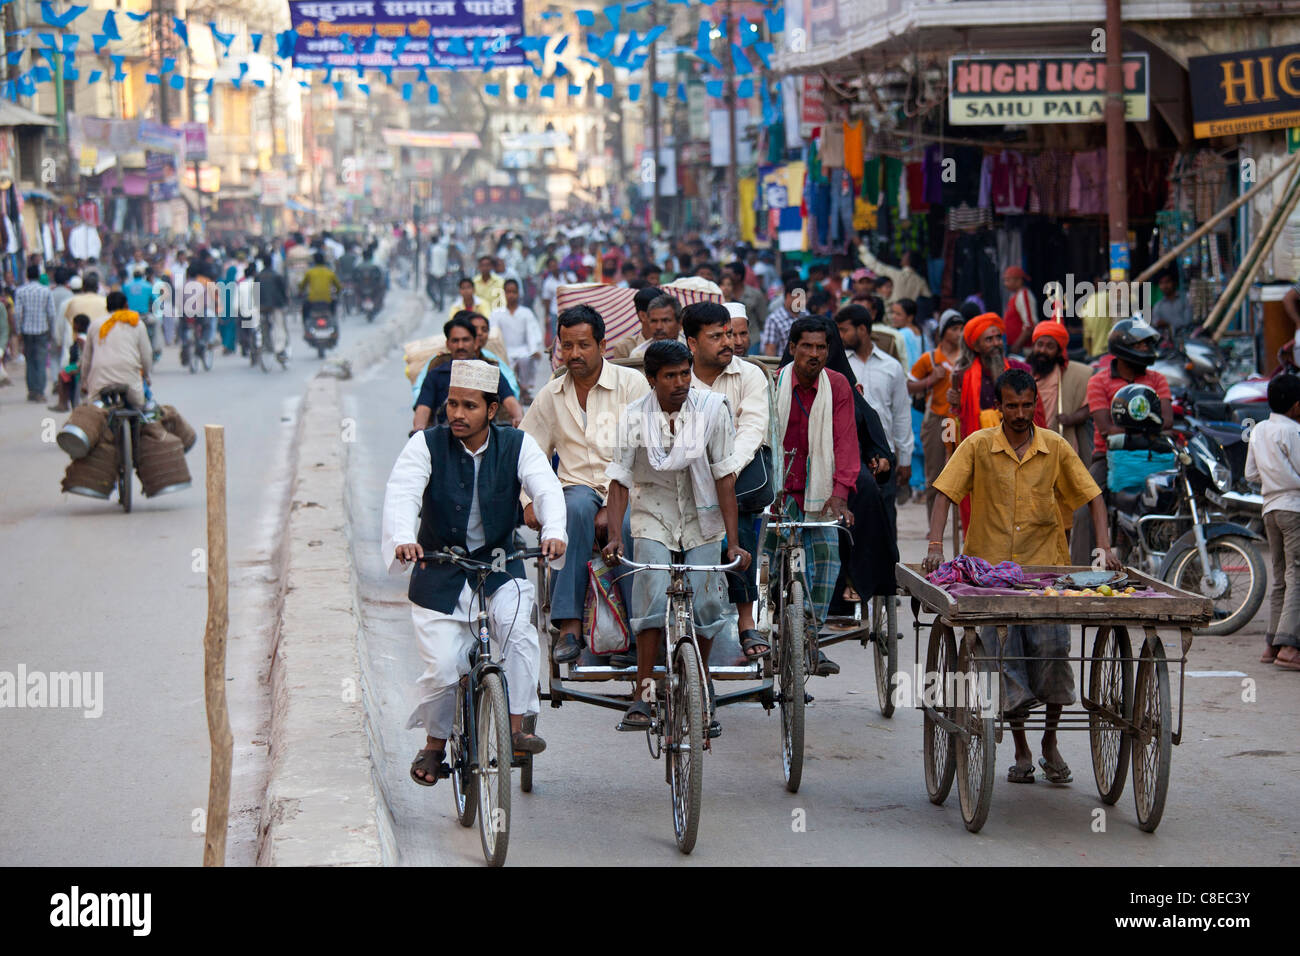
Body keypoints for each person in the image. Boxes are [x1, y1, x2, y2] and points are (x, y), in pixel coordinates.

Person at [924, 367, 1121, 785]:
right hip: (991, 577)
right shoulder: (977, 445)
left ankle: (1049, 741)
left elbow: (1093, 496)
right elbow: (945, 493)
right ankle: (1020, 748)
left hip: (1046, 572)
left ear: (1036, 404)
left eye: (1026, 405)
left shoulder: (1055, 446)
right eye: (1011, 406)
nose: (1019, 413)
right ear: (999, 407)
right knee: (1005, 660)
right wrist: (935, 546)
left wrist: (1104, 546)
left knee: (1051, 656)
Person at [383, 359, 568, 783]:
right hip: (438, 572)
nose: (456, 414)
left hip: (501, 566)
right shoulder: (425, 445)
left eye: (469, 406)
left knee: (520, 634)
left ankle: (517, 727)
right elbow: (403, 493)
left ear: (491, 410)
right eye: (451, 404)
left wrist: (554, 531)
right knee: (444, 669)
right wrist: (402, 538)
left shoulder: (517, 445)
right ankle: (433, 746)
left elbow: (546, 487)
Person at [602, 340, 749, 730]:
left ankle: (700, 685)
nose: (681, 382)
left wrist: (732, 543)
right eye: (670, 376)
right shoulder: (633, 417)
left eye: (685, 373)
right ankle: (644, 691)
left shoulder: (712, 410)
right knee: (651, 591)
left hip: (703, 518)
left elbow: (724, 478)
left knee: (705, 605)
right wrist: (615, 536)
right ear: (651, 379)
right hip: (653, 514)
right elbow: (619, 481)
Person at [520, 305, 650, 664]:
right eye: (566, 346)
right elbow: (527, 451)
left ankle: (640, 630)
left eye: (583, 345)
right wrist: (526, 500)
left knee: (626, 526)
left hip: (629, 488)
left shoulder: (632, 385)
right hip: (576, 488)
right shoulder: (551, 394)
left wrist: (614, 502)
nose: (574, 354)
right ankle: (570, 626)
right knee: (573, 510)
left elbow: (646, 451)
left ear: (602, 345)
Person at [769, 318, 861, 668]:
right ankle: (764, 625)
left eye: (821, 347)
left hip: (819, 493)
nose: (814, 353)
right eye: (806, 346)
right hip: (778, 494)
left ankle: (808, 635)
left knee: (826, 554)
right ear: (792, 348)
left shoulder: (837, 386)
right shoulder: (773, 383)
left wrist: (840, 493)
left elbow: (845, 441)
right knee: (765, 563)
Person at [684, 301, 771, 660]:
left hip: (736, 470)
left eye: (730, 334)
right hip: (685, 473)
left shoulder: (749, 375)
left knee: (737, 512)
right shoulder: (677, 374)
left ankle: (746, 620)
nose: (728, 343)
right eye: (717, 336)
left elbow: (752, 429)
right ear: (692, 343)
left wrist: (727, 469)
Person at [1070, 318, 1173, 564]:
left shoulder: (1157, 379)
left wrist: (1125, 430)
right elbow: (1105, 428)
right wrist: (1149, 427)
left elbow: (1167, 420)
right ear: (1123, 347)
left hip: (1152, 456)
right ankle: (1082, 574)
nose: (1147, 350)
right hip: (1107, 457)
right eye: (1141, 345)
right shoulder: (1098, 380)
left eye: (1149, 345)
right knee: (1084, 509)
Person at [1246, 374, 1300, 670]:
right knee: (1297, 576)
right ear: (1295, 406)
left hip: (1269, 508)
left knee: (1280, 577)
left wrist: (1274, 475)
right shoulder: (1294, 431)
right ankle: (1290, 647)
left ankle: (1272, 644)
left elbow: (1251, 474)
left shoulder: (1259, 430)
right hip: (1294, 507)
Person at [838, 304, 912, 508]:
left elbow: (901, 415)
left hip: (883, 456)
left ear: (862, 329)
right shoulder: (840, 367)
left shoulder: (891, 367)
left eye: (844, 330)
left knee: (886, 518)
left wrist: (905, 458)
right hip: (851, 456)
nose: (841, 336)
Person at [412, 315, 523, 430]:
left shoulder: (489, 372)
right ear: (448, 344)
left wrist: (518, 417)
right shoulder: (435, 375)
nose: (460, 346)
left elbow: (509, 400)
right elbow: (423, 408)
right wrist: (419, 429)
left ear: (475, 342)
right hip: (445, 440)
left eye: (465, 340)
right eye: (455, 341)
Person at [909, 310, 963, 511]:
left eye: (961, 329)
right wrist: (931, 380)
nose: (959, 333)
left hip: (958, 420)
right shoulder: (930, 358)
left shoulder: (966, 358)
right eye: (954, 329)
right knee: (935, 472)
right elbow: (909, 385)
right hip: (937, 419)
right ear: (943, 332)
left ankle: (963, 522)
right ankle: (934, 522)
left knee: (963, 471)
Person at [79, 290, 153, 407]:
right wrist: (147, 375)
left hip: (100, 380)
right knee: (140, 408)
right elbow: (146, 355)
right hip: (129, 378)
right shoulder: (136, 323)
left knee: (94, 410)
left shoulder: (95, 324)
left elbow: (87, 358)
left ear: (107, 307)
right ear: (126, 306)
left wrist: (84, 382)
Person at [890, 298, 927, 503]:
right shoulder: (921, 334)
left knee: (909, 439)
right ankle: (921, 484)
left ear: (909, 316)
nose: (894, 317)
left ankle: (916, 484)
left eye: (898, 314)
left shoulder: (901, 335)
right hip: (921, 392)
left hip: (908, 391)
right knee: (918, 439)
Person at [489, 278, 543, 400]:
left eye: (513, 292)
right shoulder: (497, 313)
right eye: (508, 292)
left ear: (518, 293)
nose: (511, 295)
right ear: (504, 293)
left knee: (526, 359)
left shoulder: (526, 313)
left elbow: (531, 333)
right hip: (504, 349)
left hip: (522, 349)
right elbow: (493, 335)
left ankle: (524, 390)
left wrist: (533, 350)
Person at [14, 264, 55, 403]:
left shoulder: (20, 291)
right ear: (38, 276)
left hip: (27, 331)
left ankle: (32, 390)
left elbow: (18, 313)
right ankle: (40, 391)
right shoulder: (46, 291)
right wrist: (52, 330)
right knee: (41, 361)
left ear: (27, 276)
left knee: (30, 360)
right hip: (42, 330)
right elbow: (51, 314)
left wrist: (18, 331)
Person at [857, 248, 931, 304]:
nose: (901, 257)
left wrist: (861, 247)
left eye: (904, 256)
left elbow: (875, 265)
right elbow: (928, 298)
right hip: (910, 315)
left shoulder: (895, 274)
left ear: (907, 260)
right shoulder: (921, 281)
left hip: (893, 313)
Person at [612, 285, 665, 359]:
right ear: (643, 316)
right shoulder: (625, 347)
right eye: (657, 315)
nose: (661, 325)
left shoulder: (679, 342)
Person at [255, 256, 291, 364]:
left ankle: (264, 343)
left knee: (263, 325)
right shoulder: (276, 276)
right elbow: (283, 291)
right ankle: (279, 349)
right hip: (276, 305)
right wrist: (286, 302)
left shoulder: (258, 276)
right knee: (279, 325)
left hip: (261, 305)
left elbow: (255, 292)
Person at [760, 278, 806, 357]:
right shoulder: (774, 319)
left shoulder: (806, 315)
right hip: (783, 366)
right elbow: (770, 351)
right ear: (788, 296)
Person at [727, 260, 766, 350]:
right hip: (729, 341)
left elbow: (762, 318)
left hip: (753, 339)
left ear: (738, 276)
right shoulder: (723, 293)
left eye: (729, 274)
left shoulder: (755, 294)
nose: (725, 277)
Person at [628, 294, 683, 358]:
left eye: (665, 320)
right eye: (654, 321)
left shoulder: (692, 349)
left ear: (679, 322)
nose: (658, 327)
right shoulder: (639, 354)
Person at [298, 251, 342, 325]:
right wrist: (337, 292)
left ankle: (305, 324)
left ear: (314, 261)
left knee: (305, 309)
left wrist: (300, 292)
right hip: (327, 301)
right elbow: (338, 286)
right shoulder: (329, 272)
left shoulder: (310, 272)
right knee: (334, 306)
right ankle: (333, 320)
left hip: (312, 301)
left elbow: (302, 286)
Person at [1002, 266, 1035, 354]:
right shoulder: (1014, 296)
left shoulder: (1024, 295)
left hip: (1023, 349)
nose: (1005, 284)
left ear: (1019, 281)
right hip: (1015, 347)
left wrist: (1017, 345)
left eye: (1008, 280)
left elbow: (1029, 325)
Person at [1152, 269, 1192, 342]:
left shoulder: (1185, 300)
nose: (1164, 286)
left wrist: (1168, 324)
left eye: (1167, 282)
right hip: (1167, 343)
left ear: (1174, 282)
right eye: (1161, 283)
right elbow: (1156, 325)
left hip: (1187, 340)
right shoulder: (1158, 306)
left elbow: (1188, 322)